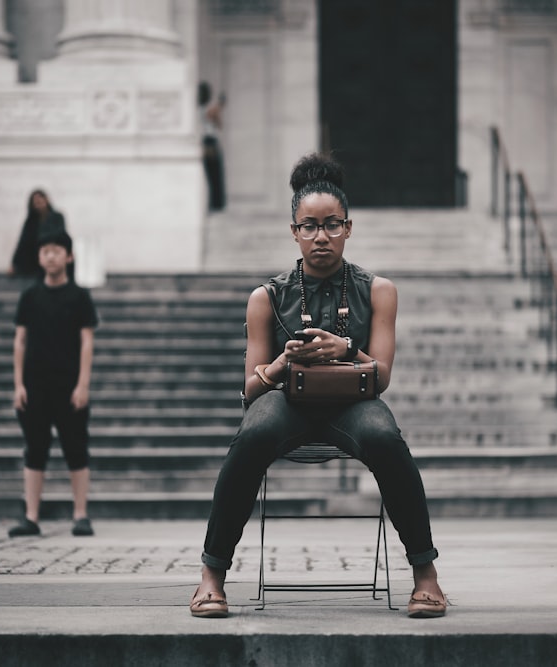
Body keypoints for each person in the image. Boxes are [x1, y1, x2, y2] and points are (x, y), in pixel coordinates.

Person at [191, 153, 447, 619]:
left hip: (354, 402)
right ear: (294, 231)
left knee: (386, 438)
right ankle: (212, 575)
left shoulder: (379, 290)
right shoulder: (266, 297)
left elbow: (382, 377)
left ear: (349, 228)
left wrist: (346, 350)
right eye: (309, 226)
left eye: (332, 225)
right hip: (286, 400)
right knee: (250, 435)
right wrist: (282, 364)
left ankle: (426, 576)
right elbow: (250, 390)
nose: (321, 236)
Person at [8, 229, 98, 538]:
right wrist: (18, 384)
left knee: (76, 447)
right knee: (34, 448)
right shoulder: (30, 296)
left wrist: (82, 384)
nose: (50, 255)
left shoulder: (80, 296)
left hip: (69, 384)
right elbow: (20, 341)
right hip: (35, 384)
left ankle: (81, 515)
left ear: (69, 256)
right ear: (39, 257)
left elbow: (87, 342)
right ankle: (31, 517)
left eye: (56, 250)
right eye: (45, 250)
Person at [10, 189, 68, 278]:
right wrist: (14, 264)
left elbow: (60, 236)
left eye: (41, 201)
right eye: (36, 202)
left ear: (46, 200)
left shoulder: (57, 217)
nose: (39, 204)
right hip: (34, 259)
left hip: (51, 255)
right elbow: (23, 242)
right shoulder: (30, 221)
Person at [198, 81, 226, 212]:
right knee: (213, 174)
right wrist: (219, 105)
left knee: (213, 174)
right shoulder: (204, 109)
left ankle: (215, 204)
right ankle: (214, 204)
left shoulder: (201, 108)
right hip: (208, 142)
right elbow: (213, 116)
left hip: (207, 142)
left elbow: (218, 122)